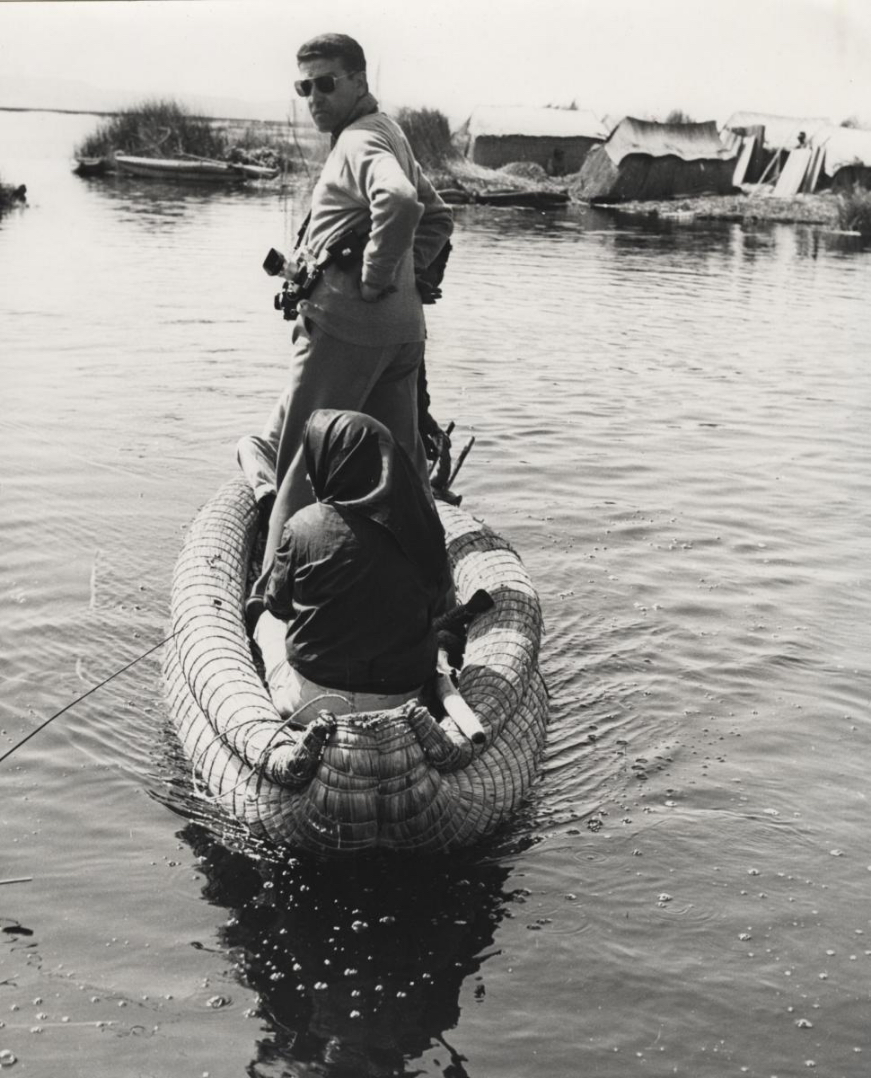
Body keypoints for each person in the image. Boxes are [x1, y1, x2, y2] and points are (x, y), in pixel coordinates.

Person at [241, 32, 453, 615]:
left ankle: (274, 603)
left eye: (327, 83)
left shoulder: (360, 142)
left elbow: (404, 202)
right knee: (401, 475)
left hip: (344, 335)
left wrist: (373, 280)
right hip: (400, 337)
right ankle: (429, 600)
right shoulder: (388, 132)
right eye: (304, 86)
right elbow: (439, 217)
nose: (314, 97)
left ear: (360, 80)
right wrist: (405, 280)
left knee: (300, 465)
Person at [252, 409, 450, 721]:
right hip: (407, 702)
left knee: (266, 622)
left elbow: (277, 606)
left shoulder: (303, 525)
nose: (307, 475)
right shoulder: (423, 525)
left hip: (315, 705)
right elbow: (439, 607)